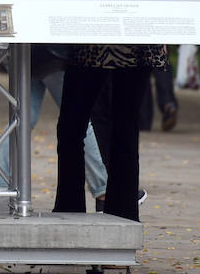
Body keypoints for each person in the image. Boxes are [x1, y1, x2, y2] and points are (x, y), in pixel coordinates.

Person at [54, 44, 168, 222]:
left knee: (78, 128)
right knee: (119, 130)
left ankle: (73, 212)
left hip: (106, 41)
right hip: (105, 40)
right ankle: (120, 214)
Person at [0, 45, 110, 204]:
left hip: (17, 50)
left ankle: (2, 186)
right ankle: (102, 190)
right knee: (80, 120)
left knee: (21, 120)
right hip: (50, 52)